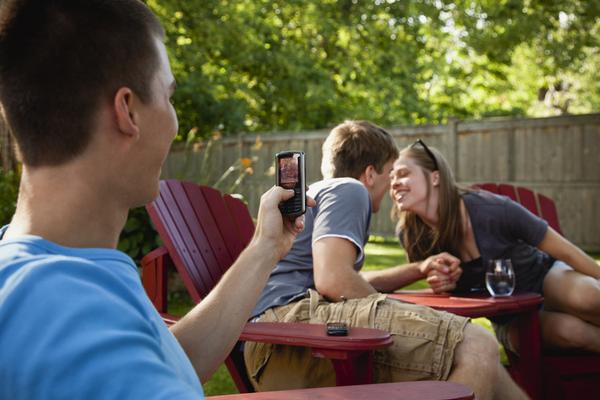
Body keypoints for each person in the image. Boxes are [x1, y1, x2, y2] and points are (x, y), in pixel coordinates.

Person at [0, 1, 312, 399]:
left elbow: (166, 364)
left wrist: (265, 247)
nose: (175, 122)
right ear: (128, 111)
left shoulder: (42, 275)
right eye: (168, 96)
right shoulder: (69, 312)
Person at [244, 121, 528, 400]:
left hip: (275, 344)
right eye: (390, 173)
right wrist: (406, 312)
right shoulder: (349, 189)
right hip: (291, 338)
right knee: (478, 345)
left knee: (486, 364)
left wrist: (419, 268)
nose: (392, 185)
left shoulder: (319, 194)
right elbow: (333, 280)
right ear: (369, 173)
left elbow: (344, 281)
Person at [390, 139, 600, 355]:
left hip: (544, 278)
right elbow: (444, 292)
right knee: (569, 332)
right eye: (391, 178)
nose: (394, 183)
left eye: (403, 174)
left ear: (435, 177)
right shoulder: (411, 234)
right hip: (508, 317)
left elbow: (565, 250)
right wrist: (444, 283)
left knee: (590, 297)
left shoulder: (493, 209)